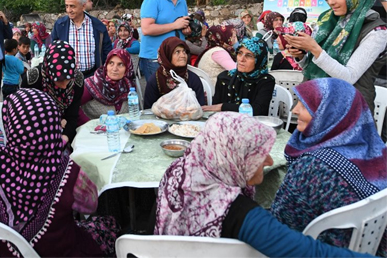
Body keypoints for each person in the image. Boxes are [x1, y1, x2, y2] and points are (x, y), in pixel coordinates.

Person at [155, 112, 372, 258]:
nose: (269, 162)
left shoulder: (179, 169)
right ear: (233, 158)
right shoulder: (237, 213)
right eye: (257, 155)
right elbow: (309, 252)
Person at [0, 88, 119, 257]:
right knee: (109, 224)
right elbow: (90, 205)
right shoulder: (65, 170)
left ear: (10, 123)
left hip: (1, 252)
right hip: (57, 251)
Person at [270, 78, 387, 255]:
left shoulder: (313, 166)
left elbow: (281, 224)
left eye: (304, 105)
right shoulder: (378, 150)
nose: (294, 110)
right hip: (372, 246)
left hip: (322, 250)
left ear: (328, 113)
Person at [284, 0, 387, 111]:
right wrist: (301, 56)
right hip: (316, 103)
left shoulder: (377, 31)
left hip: (349, 111)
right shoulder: (329, 21)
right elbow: (313, 68)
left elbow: (348, 77)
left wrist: (314, 48)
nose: (331, 1)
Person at [21, 41, 83, 144]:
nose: (64, 86)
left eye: (67, 80)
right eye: (59, 80)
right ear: (49, 72)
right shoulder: (33, 79)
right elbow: (25, 115)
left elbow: (72, 115)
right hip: (35, 134)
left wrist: (65, 138)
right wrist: (55, 122)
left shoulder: (77, 80)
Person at [139, 0, 190, 79]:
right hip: (155, 58)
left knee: (177, 95)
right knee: (159, 95)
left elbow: (180, 27)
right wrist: (174, 25)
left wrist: (185, 30)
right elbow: (146, 29)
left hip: (177, 58)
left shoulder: (183, 2)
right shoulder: (152, 0)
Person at [203, 37, 275, 116]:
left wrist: (223, 107)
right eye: (240, 53)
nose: (241, 59)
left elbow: (257, 110)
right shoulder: (225, 78)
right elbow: (215, 111)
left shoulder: (266, 81)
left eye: (249, 55)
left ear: (259, 59)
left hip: (253, 125)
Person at [51, 0, 112, 78]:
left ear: (83, 6)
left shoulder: (98, 26)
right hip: (67, 77)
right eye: (66, 6)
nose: (69, 10)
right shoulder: (60, 25)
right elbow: (53, 51)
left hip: (92, 76)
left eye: (72, 6)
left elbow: (107, 52)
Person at [143, 37, 206, 109]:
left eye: (184, 51)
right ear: (167, 55)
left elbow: (201, 108)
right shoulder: (156, 80)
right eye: (177, 52)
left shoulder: (193, 79)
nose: (183, 55)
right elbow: (148, 110)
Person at [78, 49, 135, 125]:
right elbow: (73, 107)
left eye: (120, 64)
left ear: (127, 68)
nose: (114, 69)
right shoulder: (93, 84)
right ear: (106, 65)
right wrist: (89, 124)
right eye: (111, 63)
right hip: (94, 132)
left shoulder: (129, 86)